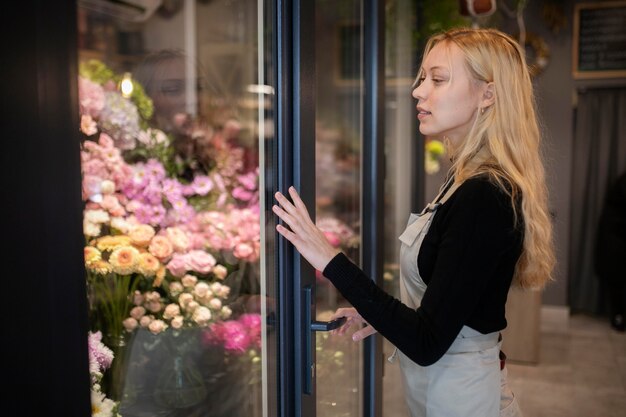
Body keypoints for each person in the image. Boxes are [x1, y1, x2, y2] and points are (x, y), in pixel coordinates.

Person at [273, 27, 555, 417]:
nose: (418, 91)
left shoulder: (484, 195)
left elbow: (426, 340)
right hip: (443, 387)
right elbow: (439, 310)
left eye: (438, 79)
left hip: (460, 397)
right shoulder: (461, 182)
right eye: (423, 78)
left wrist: (330, 259)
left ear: (488, 94)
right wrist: (378, 314)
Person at [595, 171, 626, 332]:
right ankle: (618, 316)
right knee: (617, 283)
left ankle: (619, 316)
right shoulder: (623, 182)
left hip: (616, 241)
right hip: (615, 243)